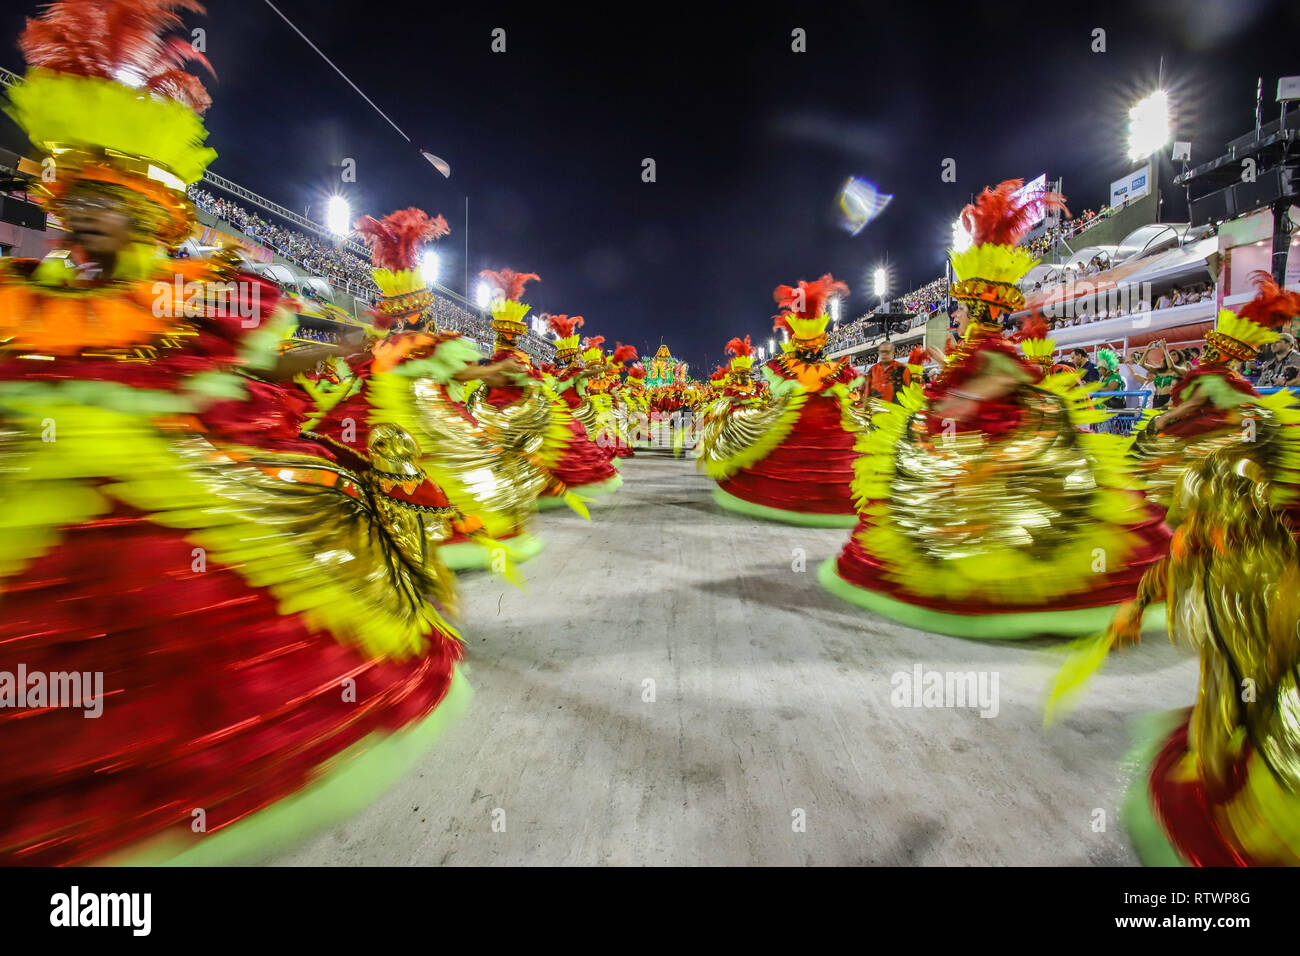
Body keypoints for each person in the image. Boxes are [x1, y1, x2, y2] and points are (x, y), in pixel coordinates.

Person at [0, 0, 476, 864]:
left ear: (146, 213)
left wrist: (359, 353)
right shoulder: (21, 296)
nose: (83, 221)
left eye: (105, 204)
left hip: (183, 523)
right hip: (41, 540)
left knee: (370, 500)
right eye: (77, 203)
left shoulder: (188, 298)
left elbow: (269, 362)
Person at [821, 179, 1169, 639]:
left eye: (962, 309)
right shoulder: (973, 346)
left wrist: (964, 403)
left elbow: (1014, 378)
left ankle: (1008, 593)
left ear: (978, 310)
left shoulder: (995, 347)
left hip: (1001, 458)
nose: (956, 315)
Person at [697, 274, 864, 526]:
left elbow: (847, 396)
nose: (809, 351)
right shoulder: (783, 368)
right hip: (788, 422)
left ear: (821, 344)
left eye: (814, 346)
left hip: (829, 429)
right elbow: (775, 394)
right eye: (804, 346)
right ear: (797, 345)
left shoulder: (835, 371)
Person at [863, 339, 913, 405]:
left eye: (887, 352)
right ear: (878, 353)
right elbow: (867, 392)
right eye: (882, 352)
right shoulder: (872, 370)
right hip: (877, 411)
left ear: (893, 353)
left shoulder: (902, 369)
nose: (884, 355)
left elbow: (910, 391)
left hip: (897, 411)